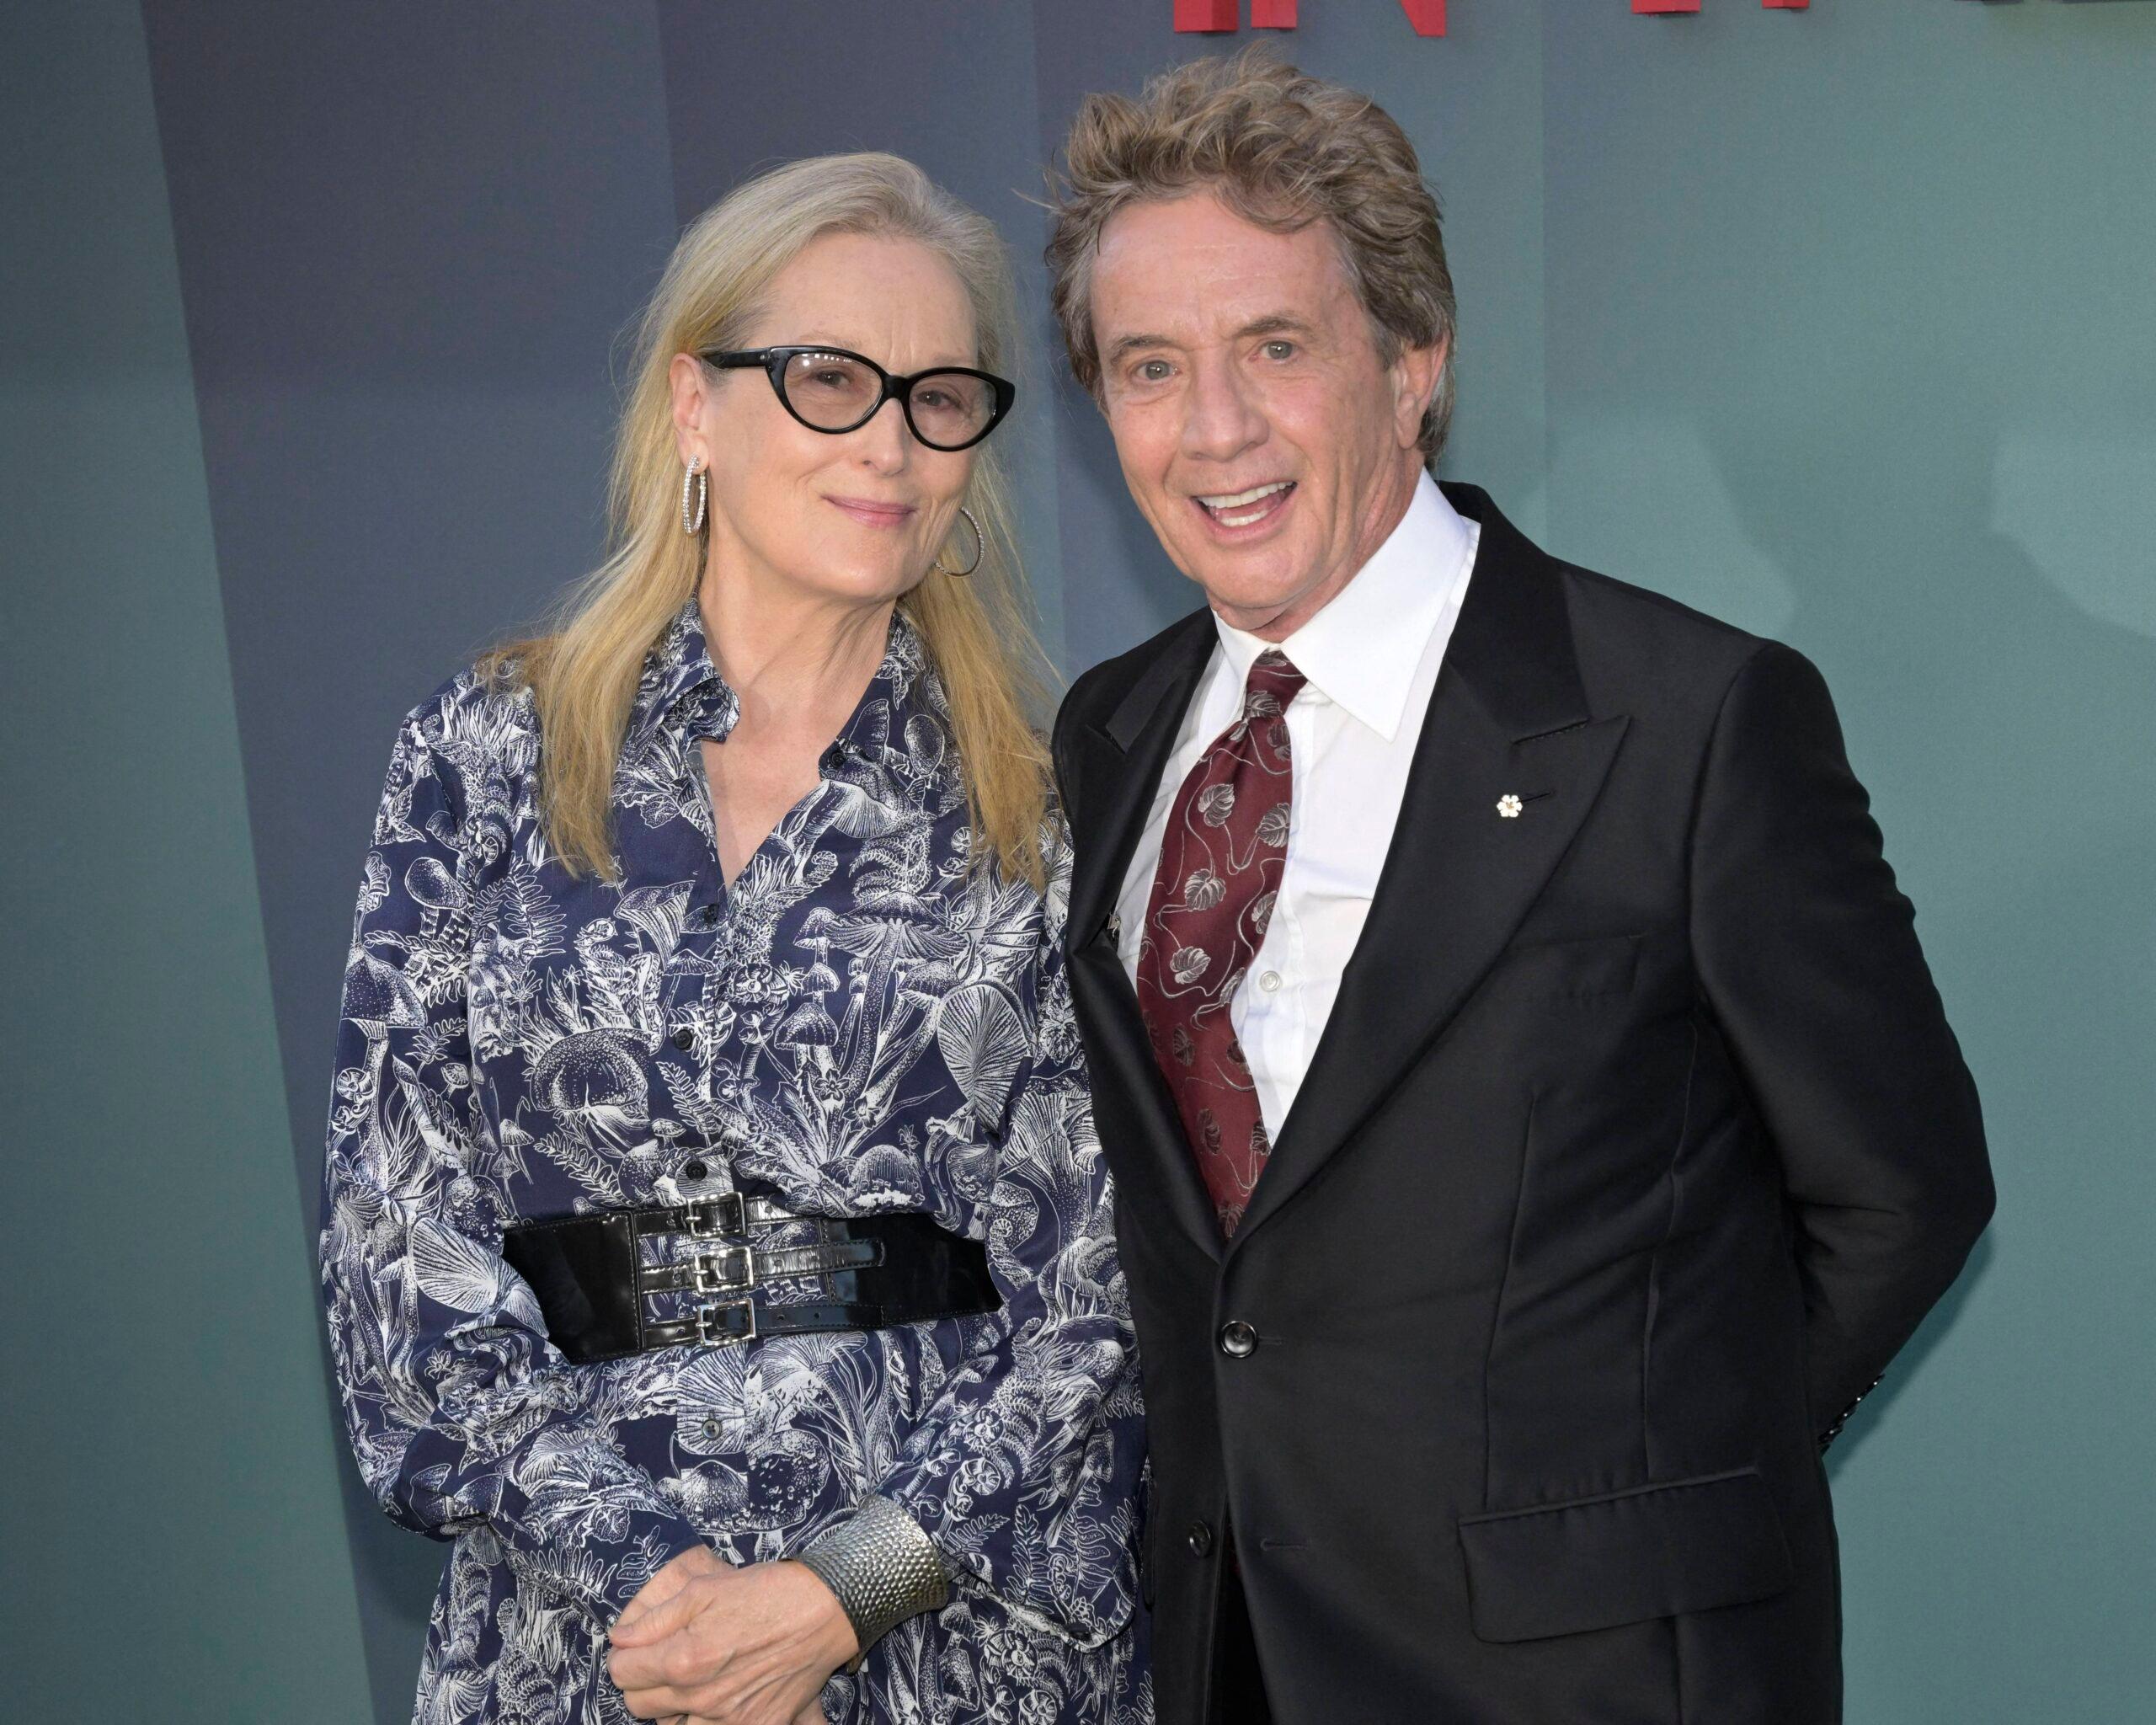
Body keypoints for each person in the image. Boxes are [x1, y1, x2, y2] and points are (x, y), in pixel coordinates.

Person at [1043, 51, 1993, 1725]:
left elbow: (1900, 1191)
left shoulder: (1686, 722)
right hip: (1226, 1666)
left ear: (1412, 363)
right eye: (1146, 367)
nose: (1213, 428)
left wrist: (1642, 1488)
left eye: (1275, 346)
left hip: (1594, 1679)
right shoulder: (1112, 732)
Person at [319, 152, 1150, 1725]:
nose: (893, 444)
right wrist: (653, 1582)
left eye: (942, 396)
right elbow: (397, 1255)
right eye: (830, 381)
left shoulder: (1048, 815)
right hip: (587, 1645)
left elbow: (1099, 1302)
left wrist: (846, 1593)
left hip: (940, 1646)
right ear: (694, 408)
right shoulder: (488, 757)